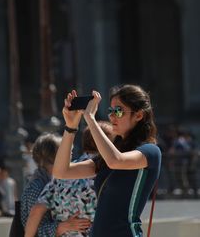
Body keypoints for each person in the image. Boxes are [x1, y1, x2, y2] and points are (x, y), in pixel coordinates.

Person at [53, 84, 162, 237]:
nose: (111, 116)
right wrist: (71, 127)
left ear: (138, 115)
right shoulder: (110, 156)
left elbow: (115, 161)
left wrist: (90, 119)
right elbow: (61, 171)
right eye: (110, 111)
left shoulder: (150, 151)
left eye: (118, 111)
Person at [24, 121, 114, 237]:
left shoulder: (61, 175)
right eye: (116, 140)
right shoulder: (109, 173)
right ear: (104, 142)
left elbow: (36, 211)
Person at [20, 133, 91, 237]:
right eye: (65, 149)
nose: (70, 153)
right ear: (54, 155)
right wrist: (63, 226)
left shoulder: (58, 180)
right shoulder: (37, 187)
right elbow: (33, 231)